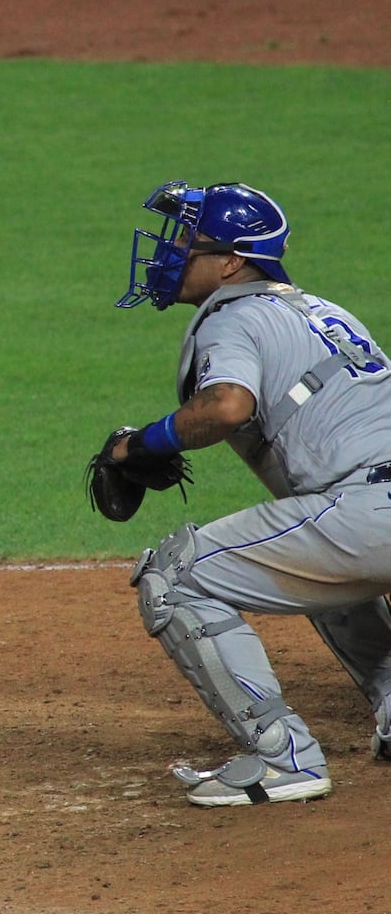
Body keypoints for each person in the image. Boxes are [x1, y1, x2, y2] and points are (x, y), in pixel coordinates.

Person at [105, 179, 391, 806]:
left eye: (187, 241)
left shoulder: (233, 318)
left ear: (232, 261)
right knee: (305, 546)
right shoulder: (323, 312)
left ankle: (281, 757)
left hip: (374, 515)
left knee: (173, 576)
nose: (169, 253)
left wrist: (141, 445)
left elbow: (228, 406)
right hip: (370, 507)